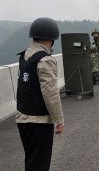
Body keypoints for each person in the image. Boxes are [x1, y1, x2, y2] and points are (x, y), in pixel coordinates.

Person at [16, 17, 64, 171]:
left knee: (31, 161)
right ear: (52, 39)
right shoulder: (45, 60)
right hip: (39, 121)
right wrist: (59, 120)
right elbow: (50, 93)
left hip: (22, 118)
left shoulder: (24, 56)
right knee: (40, 165)